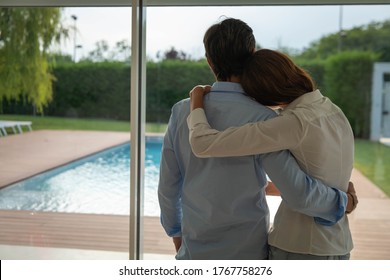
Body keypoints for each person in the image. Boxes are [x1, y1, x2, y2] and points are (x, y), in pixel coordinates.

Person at [158, 17, 356, 260]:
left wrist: (176, 233)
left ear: (209, 60)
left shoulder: (181, 111)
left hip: (193, 248)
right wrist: (343, 200)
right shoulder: (265, 117)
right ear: (251, 54)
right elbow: (295, 187)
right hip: (248, 250)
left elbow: (168, 186)